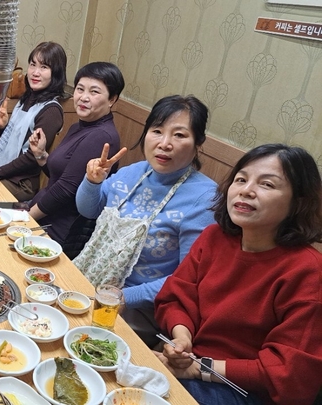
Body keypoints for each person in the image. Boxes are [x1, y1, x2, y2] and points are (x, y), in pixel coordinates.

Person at [155, 144, 322, 405]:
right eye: (241, 179)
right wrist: (181, 339)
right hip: (191, 364)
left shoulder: (309, 270)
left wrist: (201, 368)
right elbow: (176, 297)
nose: (246, 190)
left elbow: (288, 371)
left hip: (242, 390)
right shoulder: (214, 237)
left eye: (267, 184)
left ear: (298, 202)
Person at [75, 95, 217, 346]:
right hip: (90, 279)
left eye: (179, 135)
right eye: (157, 131)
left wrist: (123, 297)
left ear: (199, 143)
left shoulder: (204, 198)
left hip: (138, 308)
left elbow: (186, 278)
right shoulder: (133, 172)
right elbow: (88, 210)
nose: (164, 143)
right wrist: (92, 181)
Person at [25, 61, 125, 245]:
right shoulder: (79, 126)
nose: (83, 97)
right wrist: (41, 154)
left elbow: (66, 189)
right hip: (44, 216)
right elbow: (61, 175)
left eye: (94, 92)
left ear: (112, 99)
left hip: (58, 231)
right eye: (80, 89)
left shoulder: (101, 136)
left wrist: (26, 220)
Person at [0, 41, 67, 202]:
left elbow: (32, 157)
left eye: (44, 67)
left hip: (22, 183)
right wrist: (4, 127)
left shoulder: (51, 111)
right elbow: (17, 144)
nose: (35, 72)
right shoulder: (27, 98)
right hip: (7, 175)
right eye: (33, 65)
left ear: (56, 73)